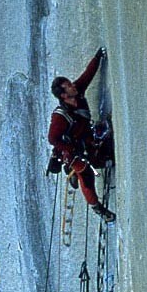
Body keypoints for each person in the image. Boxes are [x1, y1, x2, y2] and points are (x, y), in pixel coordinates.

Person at [47, 47, 115, 222]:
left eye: (70, 83)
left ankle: (74, 170)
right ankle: (98, 209)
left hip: (85, 141)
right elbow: (52, 139)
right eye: (68, 86)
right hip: (72, 150)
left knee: (104, 155)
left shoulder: (77, 92)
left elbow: (88, 75)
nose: (72, 85)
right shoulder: (60, 117)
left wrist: (97, 57)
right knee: (87, 175)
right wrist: (70, 148)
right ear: (63, 95)